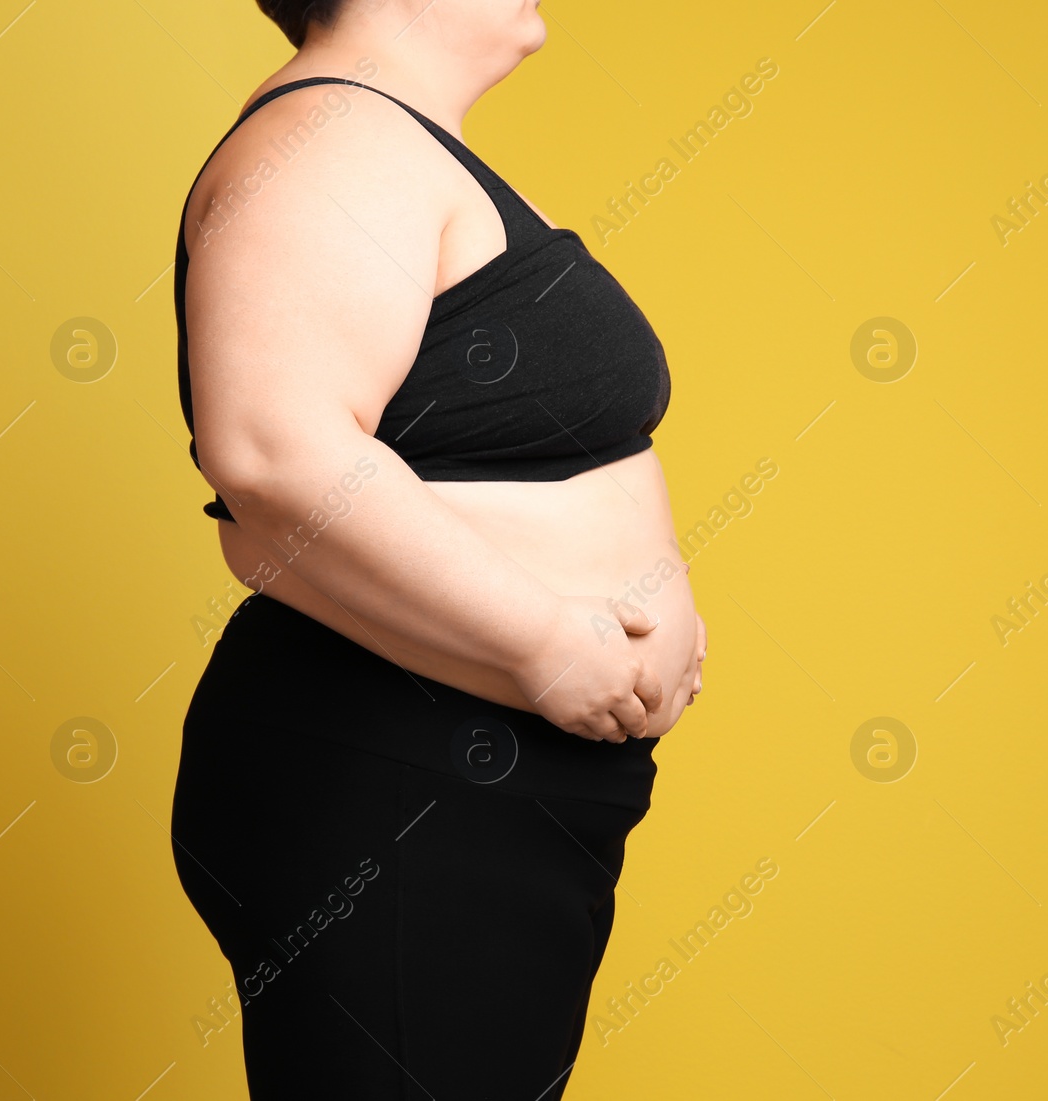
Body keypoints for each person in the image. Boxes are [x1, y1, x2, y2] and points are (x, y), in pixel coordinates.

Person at [168, 1, 706, 1096]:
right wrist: (553, 644)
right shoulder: (334, 141)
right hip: (400, 779)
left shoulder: (392, 144)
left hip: (473, 783)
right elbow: (272, 452)